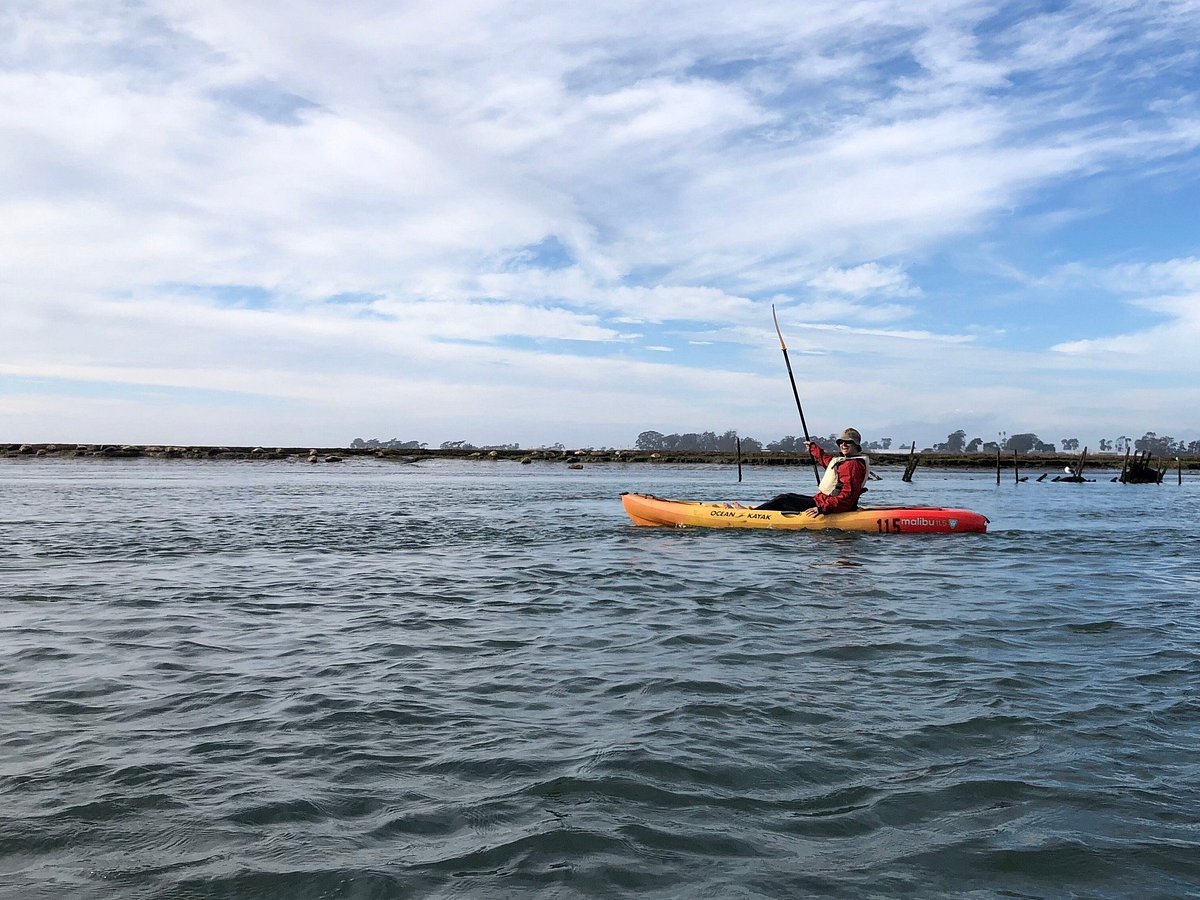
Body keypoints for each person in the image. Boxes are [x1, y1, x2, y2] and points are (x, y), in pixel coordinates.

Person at [756, 428, 870, 515]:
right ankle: (757, 512)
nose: (843, 445)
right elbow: (827, 461)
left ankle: (753, 514)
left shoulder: (853, 466)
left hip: (829, 506)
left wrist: (821, 509)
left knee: (784, 499)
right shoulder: (846, 462)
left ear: (856, 445)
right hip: (823, 501)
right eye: (841, 442)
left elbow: (847, 496)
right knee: (788, 497)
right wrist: (813, 448)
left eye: (848, 442)